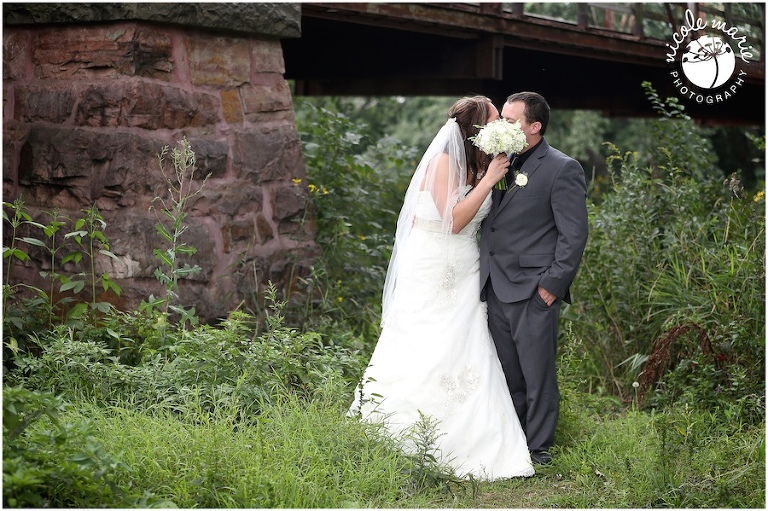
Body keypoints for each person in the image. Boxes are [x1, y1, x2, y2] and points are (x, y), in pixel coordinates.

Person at [349, 96, 535, 480]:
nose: (500, 126)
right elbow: (453, 220)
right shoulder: (444, 163)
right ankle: (396, 432)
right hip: (433, 263)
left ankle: (477, 439)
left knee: (466, 342)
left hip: (466, 265)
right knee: (423, 341)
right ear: (474, 129)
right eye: (494, 120)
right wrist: (489, 179)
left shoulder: (481, 163)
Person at [479, 91, 589, 466]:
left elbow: (574, 234)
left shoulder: (562, 168)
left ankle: (539, 448)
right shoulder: (498, 163)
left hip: (533, 288)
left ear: (534, 127)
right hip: (494, 284)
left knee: (537, 373)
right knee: (508, 372)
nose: (502, 125)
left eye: (510, 121)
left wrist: (551, 286)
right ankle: (513, 442)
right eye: (501, 119)